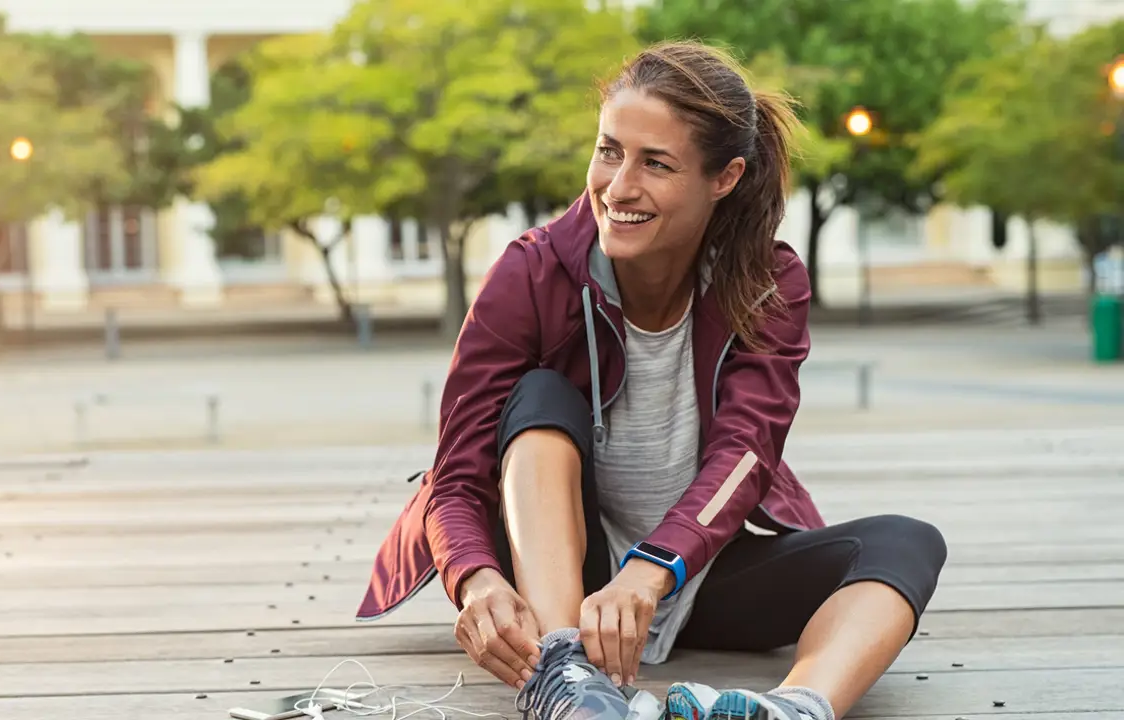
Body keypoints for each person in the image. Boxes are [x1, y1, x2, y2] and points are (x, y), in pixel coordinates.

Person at [356, 40, 947, 720]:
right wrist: (476, 579)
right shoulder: (532, 272)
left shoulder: (767, 282)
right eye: (609, 150)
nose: (618, 186)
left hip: (692, 574)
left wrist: (655, 568)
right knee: (540, 397)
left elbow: (747, 453)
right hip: (569, 586)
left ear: (723, 178)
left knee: (907, 541)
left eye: (655, 164)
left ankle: (794, 709)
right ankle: (564, 672)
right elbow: (457, 477)